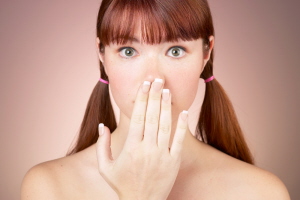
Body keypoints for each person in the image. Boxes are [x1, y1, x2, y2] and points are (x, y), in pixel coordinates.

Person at [21, 0, 290, 199]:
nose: (152, 78)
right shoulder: (49, 187)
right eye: (128, 51)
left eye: (175, 50)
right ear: (101, 54)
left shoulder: (262, 192)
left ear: (206, 53)